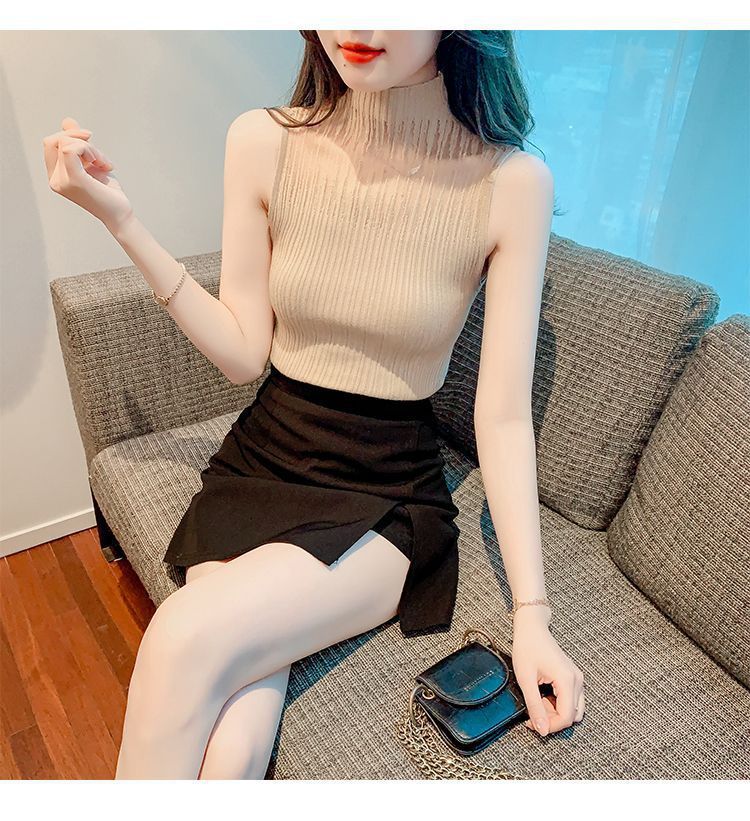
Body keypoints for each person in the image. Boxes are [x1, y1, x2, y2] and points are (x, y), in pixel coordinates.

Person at [43, 29, 585, 780]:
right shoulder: (262, 140)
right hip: (262, 457)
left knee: (181, 637)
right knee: (234, 742)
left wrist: (533, 616)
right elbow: (243, 355)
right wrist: (121, 221)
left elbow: (500, 417)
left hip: (383, 491)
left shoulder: (512, 183)